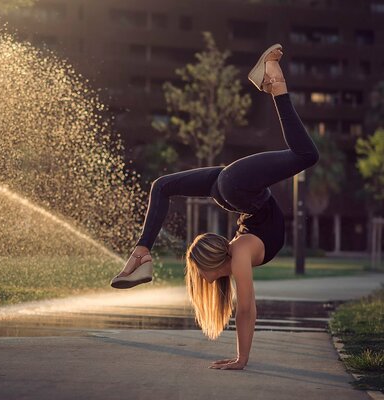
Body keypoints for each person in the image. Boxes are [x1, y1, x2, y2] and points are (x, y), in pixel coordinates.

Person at [110, 43, 320, 370]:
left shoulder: (239, 253)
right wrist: (241, 358)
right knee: (162, 186)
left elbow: (247, 308)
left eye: (198, 272)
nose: (203, 280)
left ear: (212, 260)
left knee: (307, 155)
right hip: (227, 187)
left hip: (236, 187)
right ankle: (142, 252)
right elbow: (246, 307)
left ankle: (275, 83)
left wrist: (242, 358)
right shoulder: (238, 253)